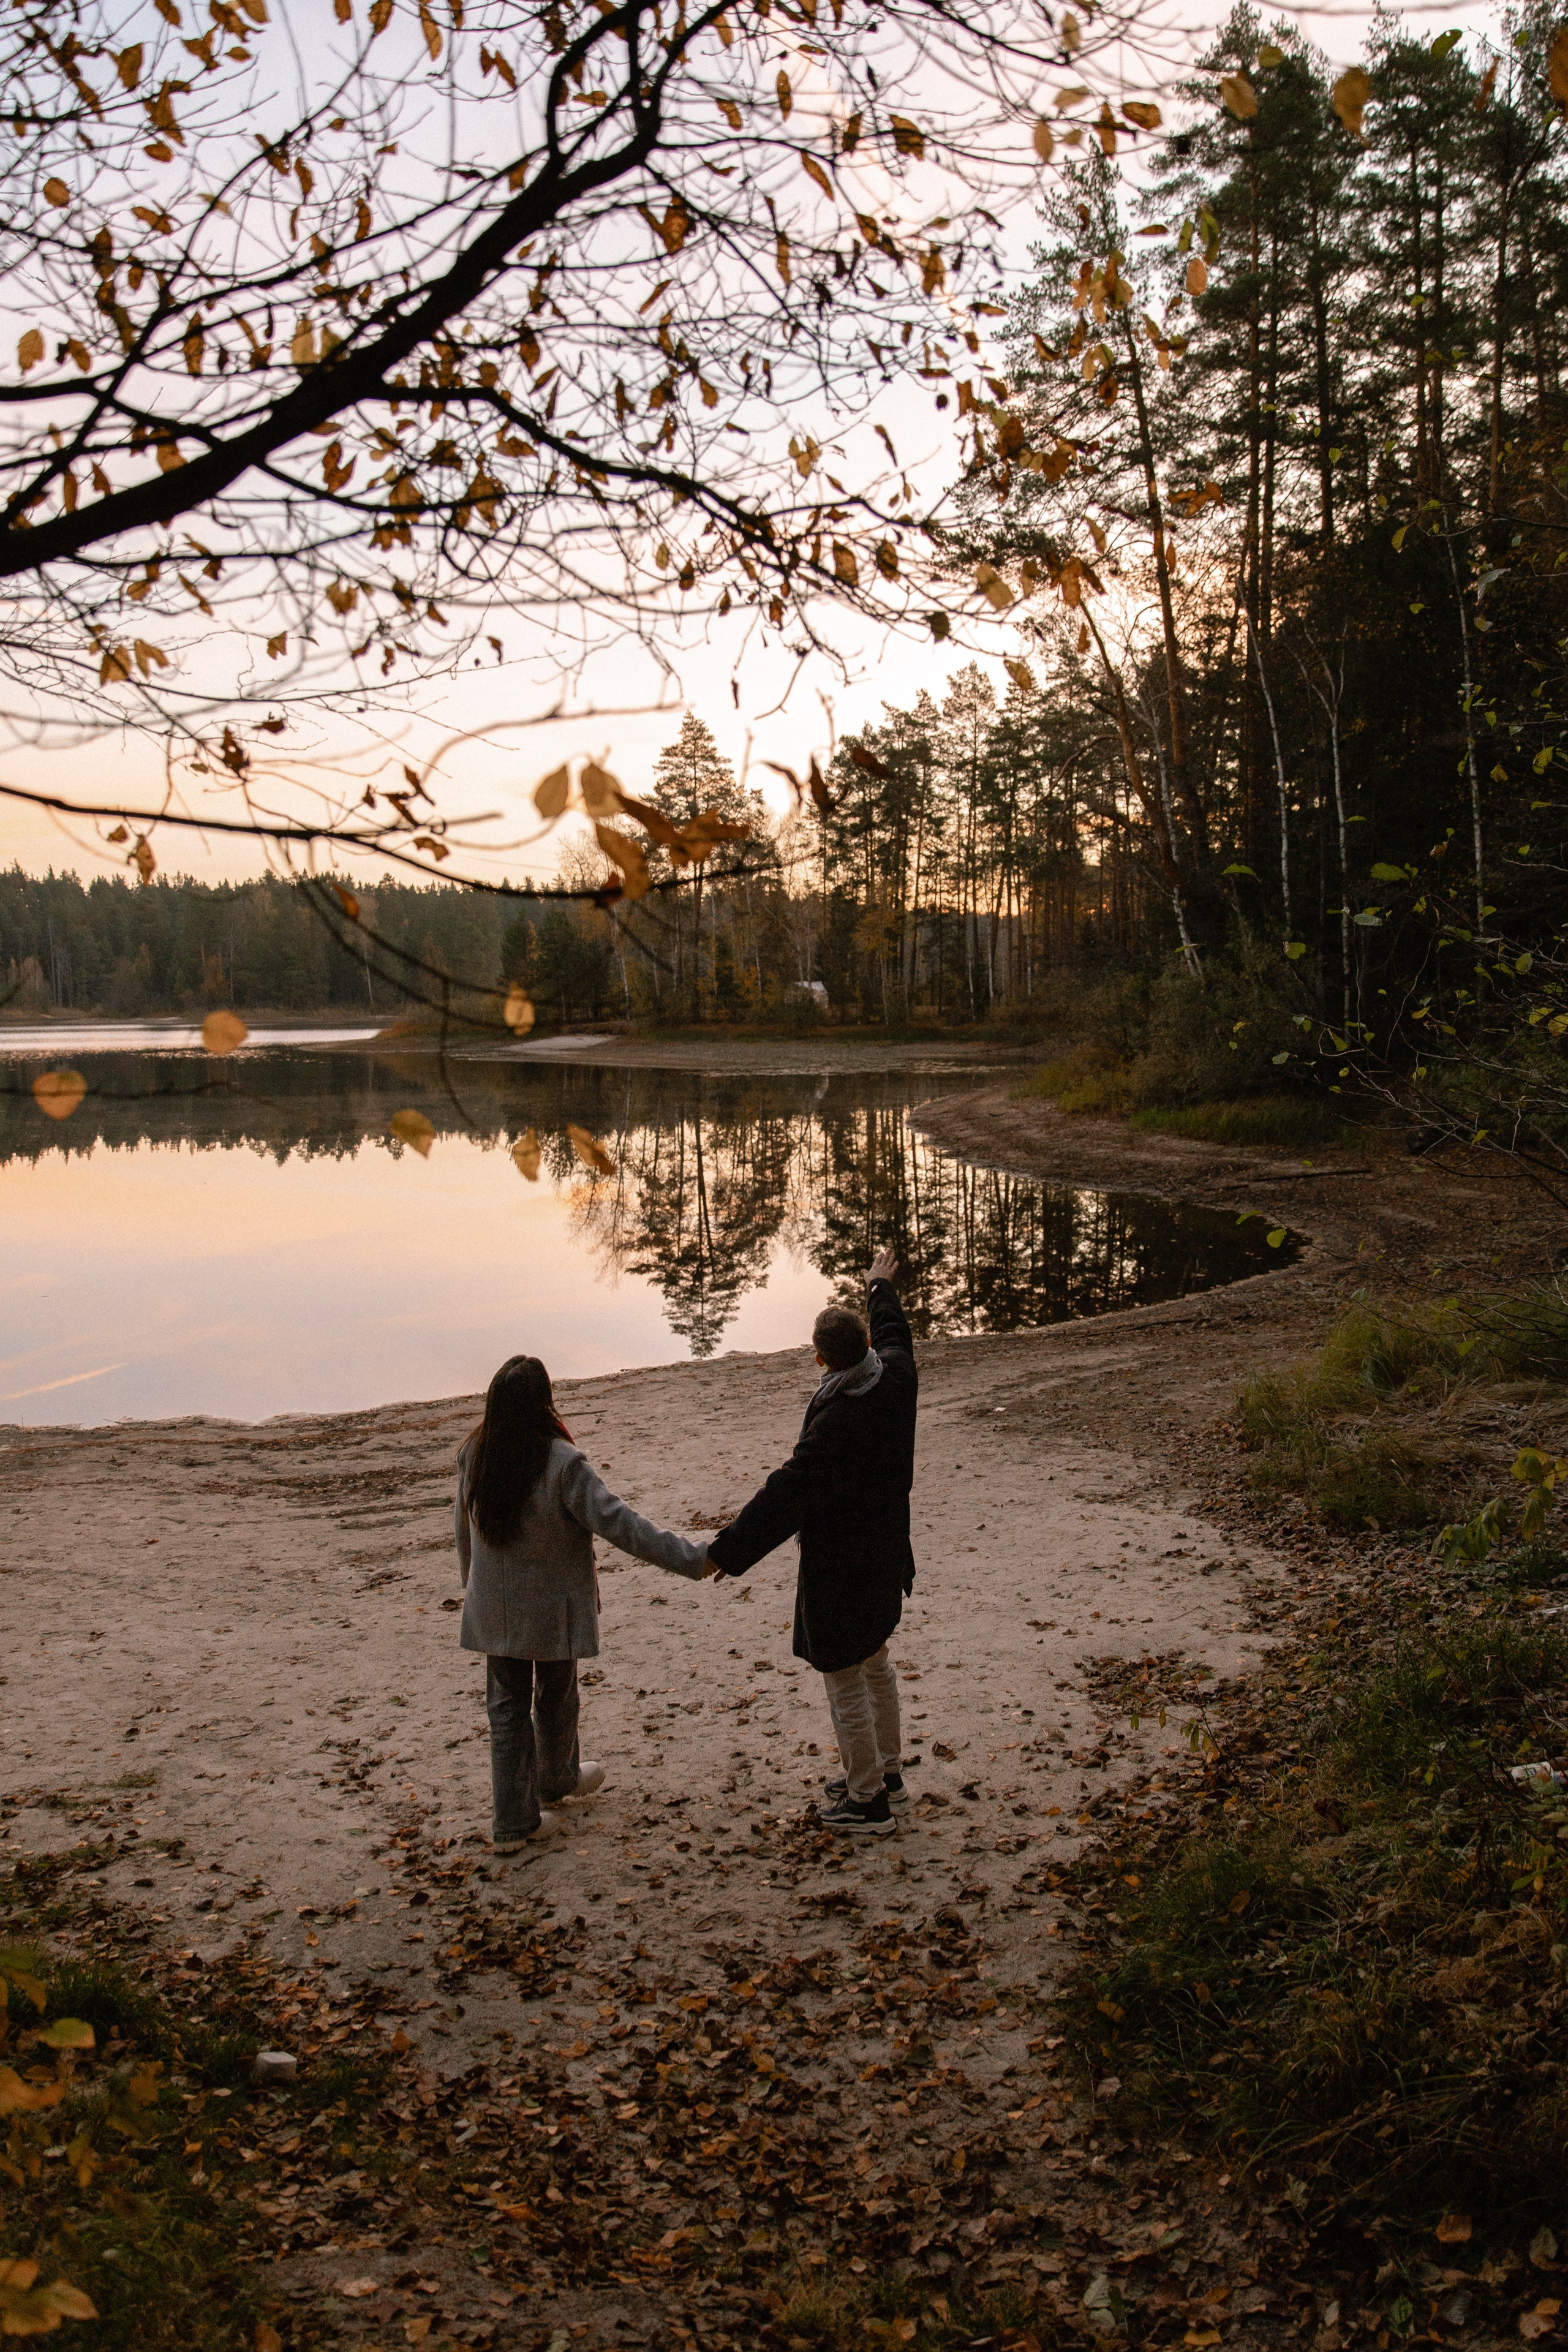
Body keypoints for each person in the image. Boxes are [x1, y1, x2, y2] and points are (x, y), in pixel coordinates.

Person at [704, 1246, 918, 1836]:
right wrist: (878, 1284)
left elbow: (786, 1494)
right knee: (876, 1661)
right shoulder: (895, 1375)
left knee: (845, 1676)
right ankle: (889, 1776)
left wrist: (727, 1552)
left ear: (821, 1358)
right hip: (887, 1555)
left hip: (841, 1570)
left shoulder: (836, 1422)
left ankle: (866, 1800)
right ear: (867, 1348)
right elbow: (896, 1328)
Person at [456, 1354, 709, 1851]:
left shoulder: (475, 1453)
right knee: (554, 1694)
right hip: (550, 1607)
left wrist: (475, 1594)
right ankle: (527, 1810)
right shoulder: (560, 1463)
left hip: (497, 1607)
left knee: (510, 1704)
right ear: (544, 1403)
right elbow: (623, 1526)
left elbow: (465, 1534)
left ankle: (545, 1790)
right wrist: (694, 1559)